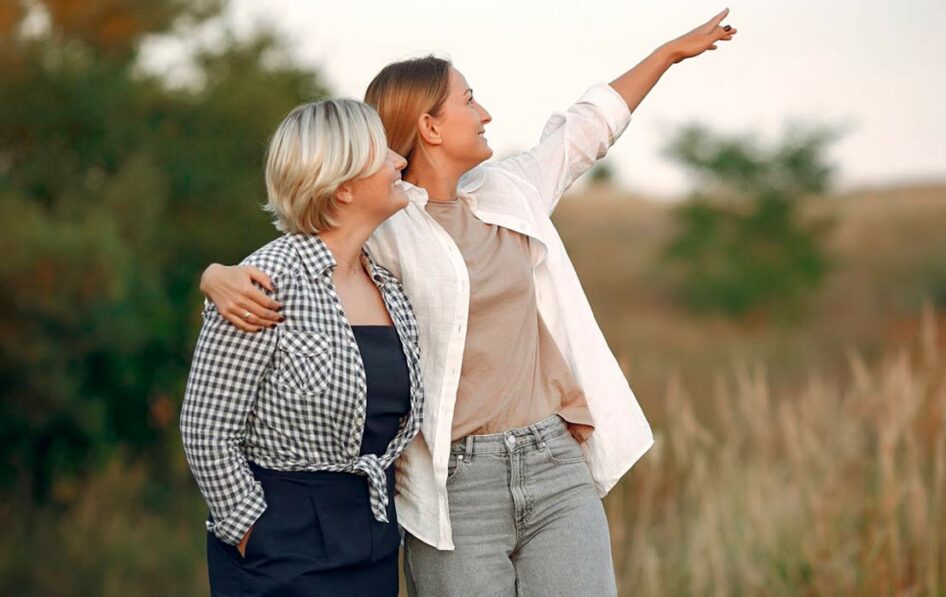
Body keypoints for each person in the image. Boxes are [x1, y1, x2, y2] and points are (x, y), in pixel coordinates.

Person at [200, 9, 738, 595]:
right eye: (469, 100)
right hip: (453, 484)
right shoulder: (388, 224)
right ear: (429, 127)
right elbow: (316, 234)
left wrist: (665, 55)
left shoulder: (512, 191)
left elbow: (585, 129)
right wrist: (217, 274)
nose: (485, 114)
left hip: (552, 460)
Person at [180, 98, 424, 596]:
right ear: (341, 187)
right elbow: (206, 428)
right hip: (281, 546)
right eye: (382, 154)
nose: (400, 160)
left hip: (373, 539)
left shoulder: (390, 285)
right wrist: (250, 531)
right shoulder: (266, 281)